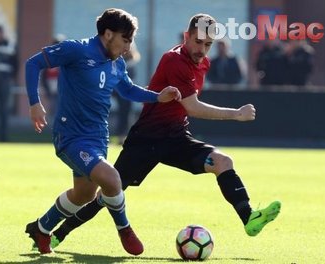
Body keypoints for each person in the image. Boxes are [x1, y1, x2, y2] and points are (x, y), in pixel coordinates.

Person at [38, 13, 282, 250]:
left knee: (223, 161)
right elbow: (192, 107)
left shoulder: (203, 62)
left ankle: (249, 217)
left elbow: (185, 108)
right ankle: (59, 233)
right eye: (198, 41)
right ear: (186, 36)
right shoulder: (174, 60)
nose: (202, 49)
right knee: (107, 193)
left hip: (176, 137)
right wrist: (236, 114)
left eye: (208, 44)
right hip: (147, 139)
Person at [24, 8, 181, 255]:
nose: (128, 47)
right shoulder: (76, 50)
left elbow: (128, 90)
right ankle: (124, 228)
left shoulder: (117, 63)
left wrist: (157, 97)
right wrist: (35, 103)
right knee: (111, 179)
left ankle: (41, 228)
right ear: (108, 34)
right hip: (71, 136)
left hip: (98, 138)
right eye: (125, 40)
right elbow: (33, 64)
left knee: (84, 194)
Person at [113, 42, 141, 144]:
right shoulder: (116, 59)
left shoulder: (130, 63)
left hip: (124, 89)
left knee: (125, 112)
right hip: (113, 87)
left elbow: (131, 79)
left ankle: (122, 136)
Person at [40, 34, 66, 119]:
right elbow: (44, 76)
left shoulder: (67, 57)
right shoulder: (49, 57)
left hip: (63, 90)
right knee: (53, 109)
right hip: (52, 89)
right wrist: (46, 89)